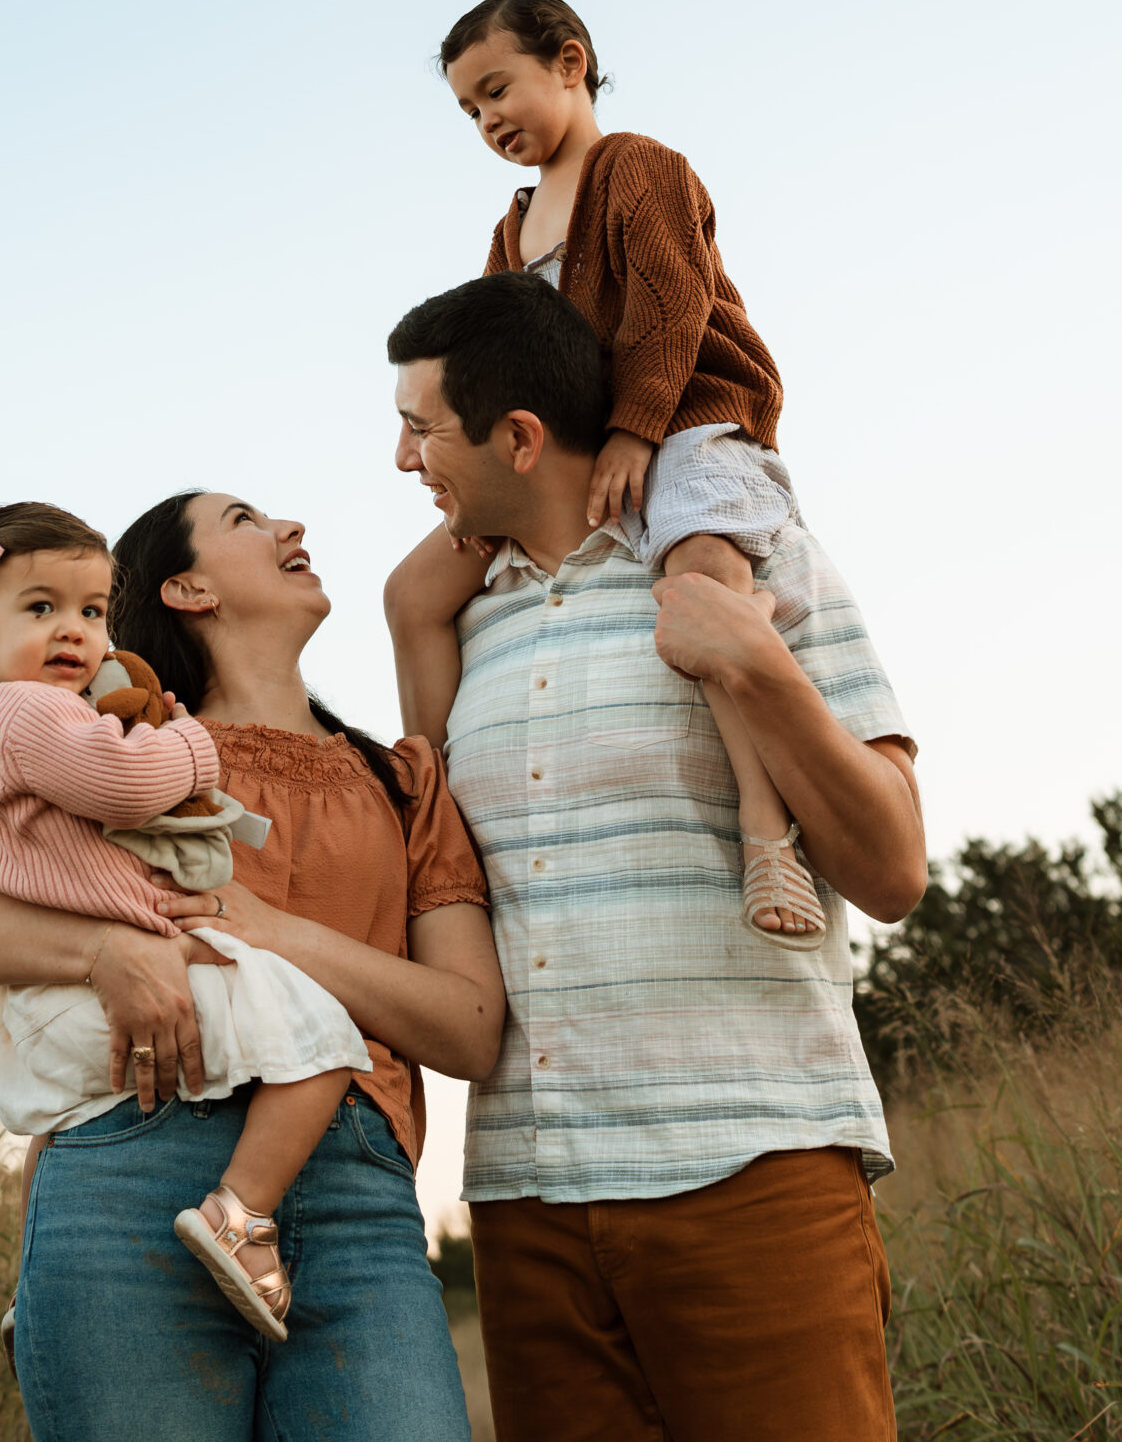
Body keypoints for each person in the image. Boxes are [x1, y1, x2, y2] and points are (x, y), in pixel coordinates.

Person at [384, 270, 925, 1442]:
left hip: (751, 1165)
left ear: (518, 437)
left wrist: (756, 665)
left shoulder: (754, 556)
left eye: (420, 427)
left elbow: (893, 870)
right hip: (527, 1202)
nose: (402, 460)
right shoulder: (460, 622)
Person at [0, 489, 503, 1442]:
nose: (291, 528)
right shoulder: (124, 761)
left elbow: (470, 1030)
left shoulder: (402, 783)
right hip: (131, 1165)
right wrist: (106, 950)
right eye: (245, 520)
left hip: (358, 1200)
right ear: (183, 588)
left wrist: (273, 930)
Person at [0, 497, 370, 1341]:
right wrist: (192, 744)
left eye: (92, 612)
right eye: (40, 608)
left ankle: (35, 1283)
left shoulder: (17, 719)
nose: (74, 631)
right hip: (107, 982)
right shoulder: (28, 712)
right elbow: (127, 788)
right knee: (321, 1038)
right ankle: (241, 1217)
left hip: (57, 996)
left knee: (62, 1134)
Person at [439, 0, 821, 942]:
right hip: (588, 445)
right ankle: (447, 842)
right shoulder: (510, 227)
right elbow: (503, 364)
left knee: (700, 563)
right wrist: (474, 484)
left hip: (686, 411)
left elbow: (670, 305)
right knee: (421, 590)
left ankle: (766, 828)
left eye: (497, 88)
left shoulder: (638, 167)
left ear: (568, 61)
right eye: (468, 108)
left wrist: (637, 426)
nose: (487, 118)